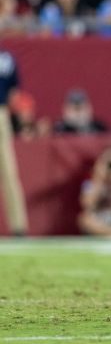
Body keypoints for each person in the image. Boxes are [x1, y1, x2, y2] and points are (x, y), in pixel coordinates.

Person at [0, 47, 28, 235]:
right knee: (8, 172)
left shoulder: (7, 58)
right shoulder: (6, 58)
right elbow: (13, 92)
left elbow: (14, 93)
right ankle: (19, 227)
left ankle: (19, 227)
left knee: (8, 171)